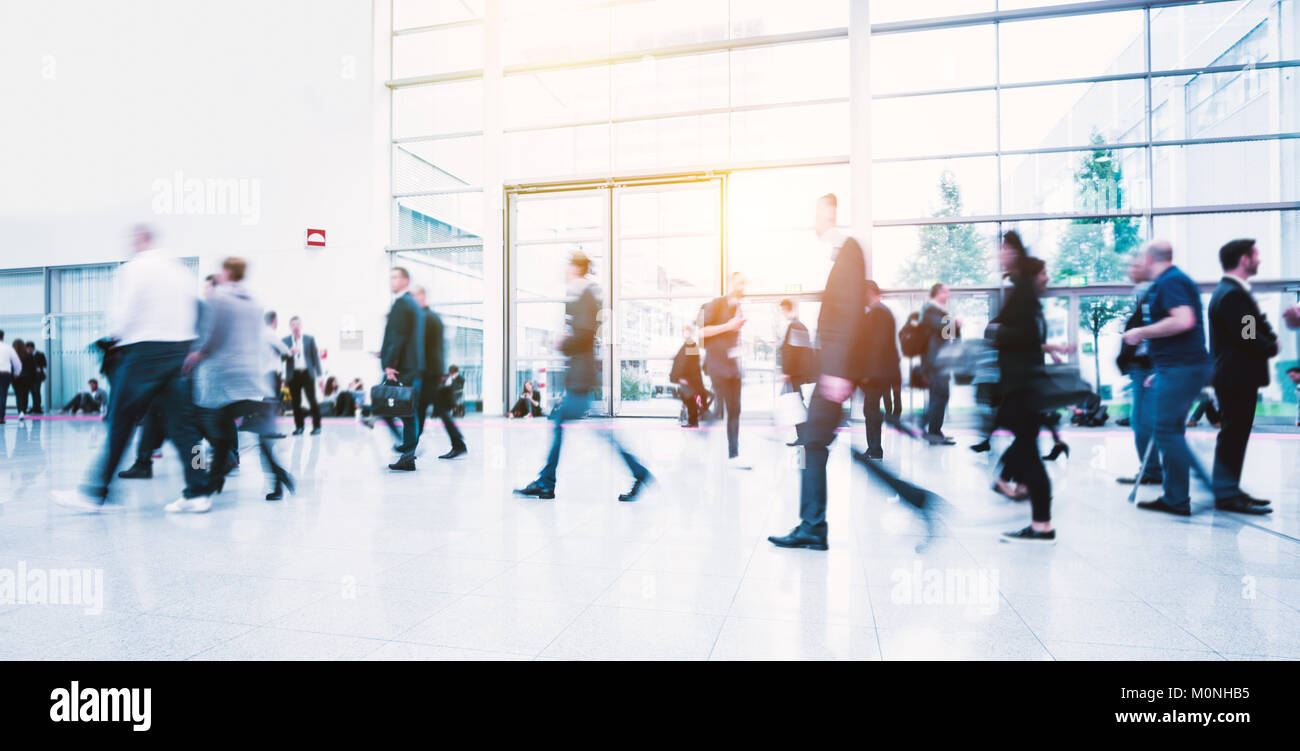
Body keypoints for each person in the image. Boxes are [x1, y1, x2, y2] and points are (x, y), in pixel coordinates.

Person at [54, 225, 210, 512]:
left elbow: (122, 315)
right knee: (186, 428)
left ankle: (95, 492)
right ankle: (199, 490)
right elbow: (194, 313)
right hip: (178, 352)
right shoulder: (180, 271)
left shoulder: (134, 269)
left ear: (141, 240)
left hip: (143, 353)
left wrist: (113, 339)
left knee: (120, 422)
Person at [768, 194, 868, 551]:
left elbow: (851, 314)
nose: (814, 221)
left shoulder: (850, 251)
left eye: (816, 213)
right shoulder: (842, 255)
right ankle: (813, 524)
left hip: (836, 372)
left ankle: (813, 526)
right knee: (816, 442)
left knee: (814, 441)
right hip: (833, 369)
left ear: (830, 212)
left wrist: (839, 371)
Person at [515, 251, 651, 502]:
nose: (565, 272)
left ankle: (546, 483)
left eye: (568, 267)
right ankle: (638, 472)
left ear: (576, 268)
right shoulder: (582, 295)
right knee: (586, 428)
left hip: (582, 376)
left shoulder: (585, 296)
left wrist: (561, 343)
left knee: (565, 423)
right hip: (581, 375)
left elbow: (585, 335)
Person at [183, 257, 295, 504]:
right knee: (257, 436)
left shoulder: (218, 298)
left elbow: (214, 336)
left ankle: (208, 484)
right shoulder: (254, 301)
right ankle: (278, 476)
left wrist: (197, 355)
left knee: (210, 435)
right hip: (253, 380)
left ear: (226, 272)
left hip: (223, 381)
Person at [1122, 240, 1212, 517]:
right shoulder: (1169, 282)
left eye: (1139, 261)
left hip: (1181, 367)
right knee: (1167, 431)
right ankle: (1175, 497)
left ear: (1150, 259)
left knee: (1165, 431)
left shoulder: (1171, 282)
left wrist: (1141, 333)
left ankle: (1212, 487)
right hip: (1173, 368)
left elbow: (1183, 320)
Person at [994, 255, 1067, 543]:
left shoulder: (1027, 307)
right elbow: (1024, 343)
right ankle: (1039, 521)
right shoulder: (1027, 307)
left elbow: (1016, 342)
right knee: (1029, 453)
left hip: (1025, 392)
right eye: (1044, 273)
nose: (1048, 277)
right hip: (1026, 392)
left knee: (1030, 456)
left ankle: (1041, 524)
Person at [1206, 238, 1277, 514]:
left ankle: (1229, 489)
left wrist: (1266, 335)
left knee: (1234, 435)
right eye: (1256, 256)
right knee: (1233, 435)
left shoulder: (1229, 292)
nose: (1259, 260)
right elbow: (1248, 335)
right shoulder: (1234, 294)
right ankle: (1226, 494)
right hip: (1236, 377)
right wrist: (1271, 345)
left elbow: (1251, 328)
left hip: (1234, 376)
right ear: (1244, 260)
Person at [1116, 252, 1162, 486]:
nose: (1129, 270)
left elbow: (1157, 329)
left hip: (1147, 369)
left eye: (1134, 265)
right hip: (1142, 369)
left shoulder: (1149, 291)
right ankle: (1152, 469)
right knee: (1142, 421)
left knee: (1142, 421)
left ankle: (1153, 470)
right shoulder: (1144, 293)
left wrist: (1156, 366)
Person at [375, 267, 426, 472]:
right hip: (412, 365)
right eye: (391, 277)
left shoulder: (401, 304)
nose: (392, 281)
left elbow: (398, 336)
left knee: (385, 407)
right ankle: (407, 454)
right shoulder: (413, 305)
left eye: (396, 277)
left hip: (401, 367)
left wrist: (390, 365)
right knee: (407, 412)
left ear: (405, 280)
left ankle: (406, 449)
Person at [699, 271, 749, 468]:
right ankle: (703, 432)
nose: (742, 287)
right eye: (739, 283)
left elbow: (732, 338)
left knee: (735, 409)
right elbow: (702, 332)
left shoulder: (739, 308)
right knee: (720, 408)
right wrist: (728, 326)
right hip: (717, 365)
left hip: (732, 366)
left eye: (744, 284)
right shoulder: (716, 304)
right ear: (730, 283)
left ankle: (734, 455)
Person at [412, 285, 467, 459]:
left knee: (424, 410)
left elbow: (425, 347)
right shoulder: (430, 317)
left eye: (415, 296)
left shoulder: (426, 318)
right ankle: (410, 447)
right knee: (425, 411)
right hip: (432, 371)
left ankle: (410, 448)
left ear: (422, 296)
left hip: (429, 372)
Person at [859, 280, 900, 460]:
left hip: (876, 375)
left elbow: (877, 346)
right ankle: (874, 447)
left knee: (871, 411)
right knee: (871, 410)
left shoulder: (879, 313)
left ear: (870, 292)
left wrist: (868, 373)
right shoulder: (882, 313)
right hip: (880, 374)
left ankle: (875, 448)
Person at [920, 284, 958, 444]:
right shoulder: (929, 310)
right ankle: (931, 431)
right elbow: (943, 328)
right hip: (935, 362)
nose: (948, 295)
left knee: (941, 396)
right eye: (946, 292)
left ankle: (934, 431)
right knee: (939, 396)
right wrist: (954, 322)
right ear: (938, 293)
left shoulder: (941, 311)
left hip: (942, 361)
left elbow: (950, 334)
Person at [283, 316, 323, 435]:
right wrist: (289, 352)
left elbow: (315, 358)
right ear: (290, 327)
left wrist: (320, 376)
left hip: (307, 373)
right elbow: (281, 358)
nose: (295, 327)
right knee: (296, 402)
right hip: (293, 375)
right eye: (293, 324)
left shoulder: (309, 339)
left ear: (301, 326)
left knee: (312, 400)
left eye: (297, 324)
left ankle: (317, 426)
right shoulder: (285, 341)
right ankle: (299, 427)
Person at [669, 324, 706, 428]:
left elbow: (690, 362)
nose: (685, 333)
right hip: (687, 377)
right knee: (688, 398)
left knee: (689, 399)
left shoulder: (691, 344)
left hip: (688, 377)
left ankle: (693, 421)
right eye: (684, 331)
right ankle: (692, 420)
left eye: (687, 331)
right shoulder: (688, 344)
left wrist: (685, 377)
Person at [0, 330, 23, 424]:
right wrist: (17, 372)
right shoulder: (8, 347)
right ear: (3, 337)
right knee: (2, 395)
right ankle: (1, 417)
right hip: (5, 374)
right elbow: (17, 362)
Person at [11, 339, 35, 420]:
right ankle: (23, 411)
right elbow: (33, 368)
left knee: (18, 395)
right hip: (27, 379)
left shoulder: (13, 356)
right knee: (25, 395)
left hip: (16, 378)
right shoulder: (29, 356)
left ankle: (20, 411)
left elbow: (11, 367)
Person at [24, 341, 46, 414]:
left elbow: (44, 364)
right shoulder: (26, 355)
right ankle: (33, 407)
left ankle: (37, 408)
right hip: (28, 377)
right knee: (30, 392)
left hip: (37, 377)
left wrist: (38, 367)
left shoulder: (40, 354)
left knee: (36, 392)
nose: (28, 350)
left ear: (32, 348)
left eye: (28, 349)